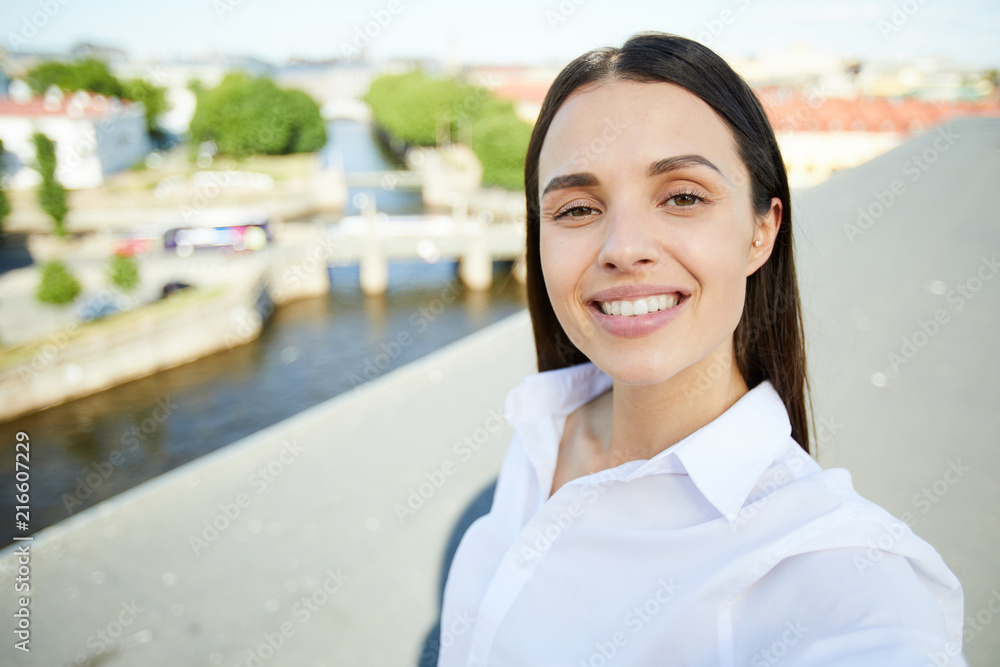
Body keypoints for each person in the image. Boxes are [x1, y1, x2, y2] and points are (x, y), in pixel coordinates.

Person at [436, 31, 966, 666]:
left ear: (761, 231)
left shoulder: (839, 570)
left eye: (682, 197)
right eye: (577, 209)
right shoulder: (543, 428)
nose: (622, 247)